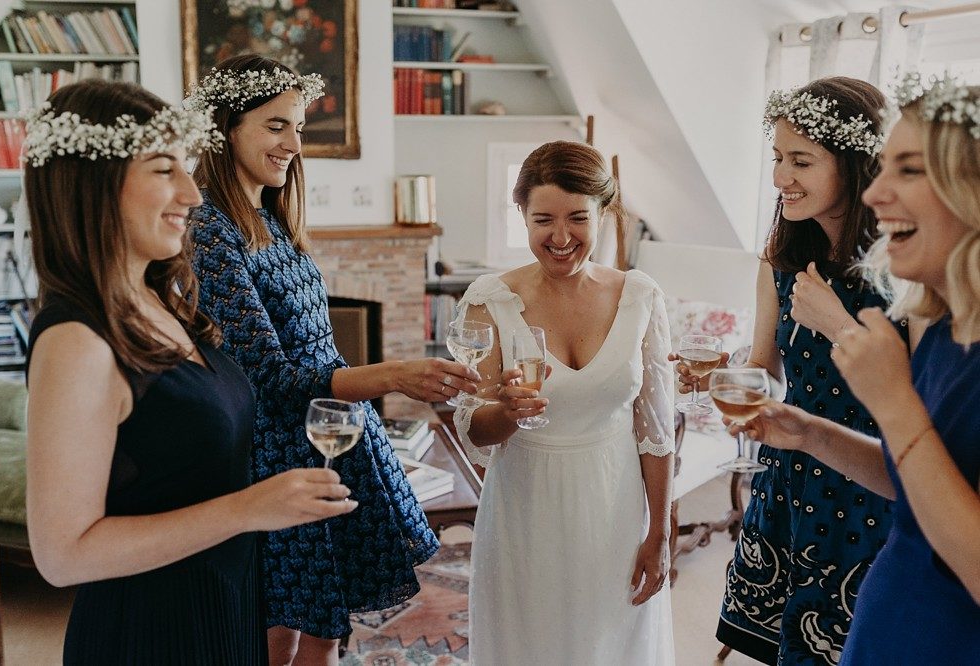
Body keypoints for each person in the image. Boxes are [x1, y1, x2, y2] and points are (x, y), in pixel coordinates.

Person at [23, 79, 357, 665]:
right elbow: (62, 554)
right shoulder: (76, 340)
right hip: (152, 635)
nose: (193, 193)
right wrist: (249, 508)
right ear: (93, 185)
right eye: (162, 169)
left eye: (187, 167)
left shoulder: (160, 301)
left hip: (221, 610)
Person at [184, 54, 479, 666]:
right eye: (275, 126)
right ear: (225, 129)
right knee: (277, 630)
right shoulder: (209, 230)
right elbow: (267, 376)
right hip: (272, 453)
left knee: (324, 626)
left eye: (298, 127)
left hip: (330, 436)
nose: (294, 143)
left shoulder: (271, 216)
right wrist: (392, 375)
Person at [732, 72, 980, 664]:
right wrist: (809, 433)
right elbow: (916, 479)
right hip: (887, 607)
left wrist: (888, 395)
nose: (876, 193)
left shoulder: (907, 296)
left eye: (910, 169)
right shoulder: (940, 316)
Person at [671, 77, 911, 665]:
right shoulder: (780, 261)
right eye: (777, 158)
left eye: (800, 160)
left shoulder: (906, 268)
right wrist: (719, 379)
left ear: (856, 166)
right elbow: (764, 370)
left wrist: (836, 323)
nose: (781, 178)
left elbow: (920, 396)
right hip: (788, 482)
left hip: (869, 489)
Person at [453, 140, 676, 665]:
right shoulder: (489, 300)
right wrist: (506, 413)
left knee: (614, 645)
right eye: (542, 220)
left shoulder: (640, 297)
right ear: (522, 218)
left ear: (604, 212)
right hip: (524, 511)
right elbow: (472, 428)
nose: (560, 237)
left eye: (578, 218)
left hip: (614, 506)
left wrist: (660, 534)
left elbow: (656, 431)